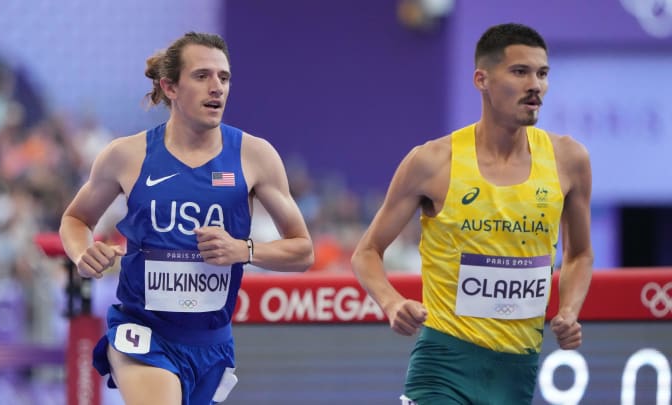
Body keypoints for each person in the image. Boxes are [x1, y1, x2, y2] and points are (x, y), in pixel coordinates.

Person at [59, 32, 314, 405]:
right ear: (170, 86)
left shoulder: (255, 156)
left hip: (211, 342)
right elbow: (75, 219)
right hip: (143, 332)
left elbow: (302, 250)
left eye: (224, 78)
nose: (217, 88)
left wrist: (243, 249)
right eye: (202, 76)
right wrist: (83, 253)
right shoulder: (126, 155)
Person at [351, 23, 593, 405]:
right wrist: (392, 302)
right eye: (520, 72)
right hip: (443, 364)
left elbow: (579, 254)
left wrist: (569, 310)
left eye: (542, 73)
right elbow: (366, 252)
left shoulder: (569, 160)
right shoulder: (432, 161)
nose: (536, 85)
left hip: (518, 371)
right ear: (482, 79)